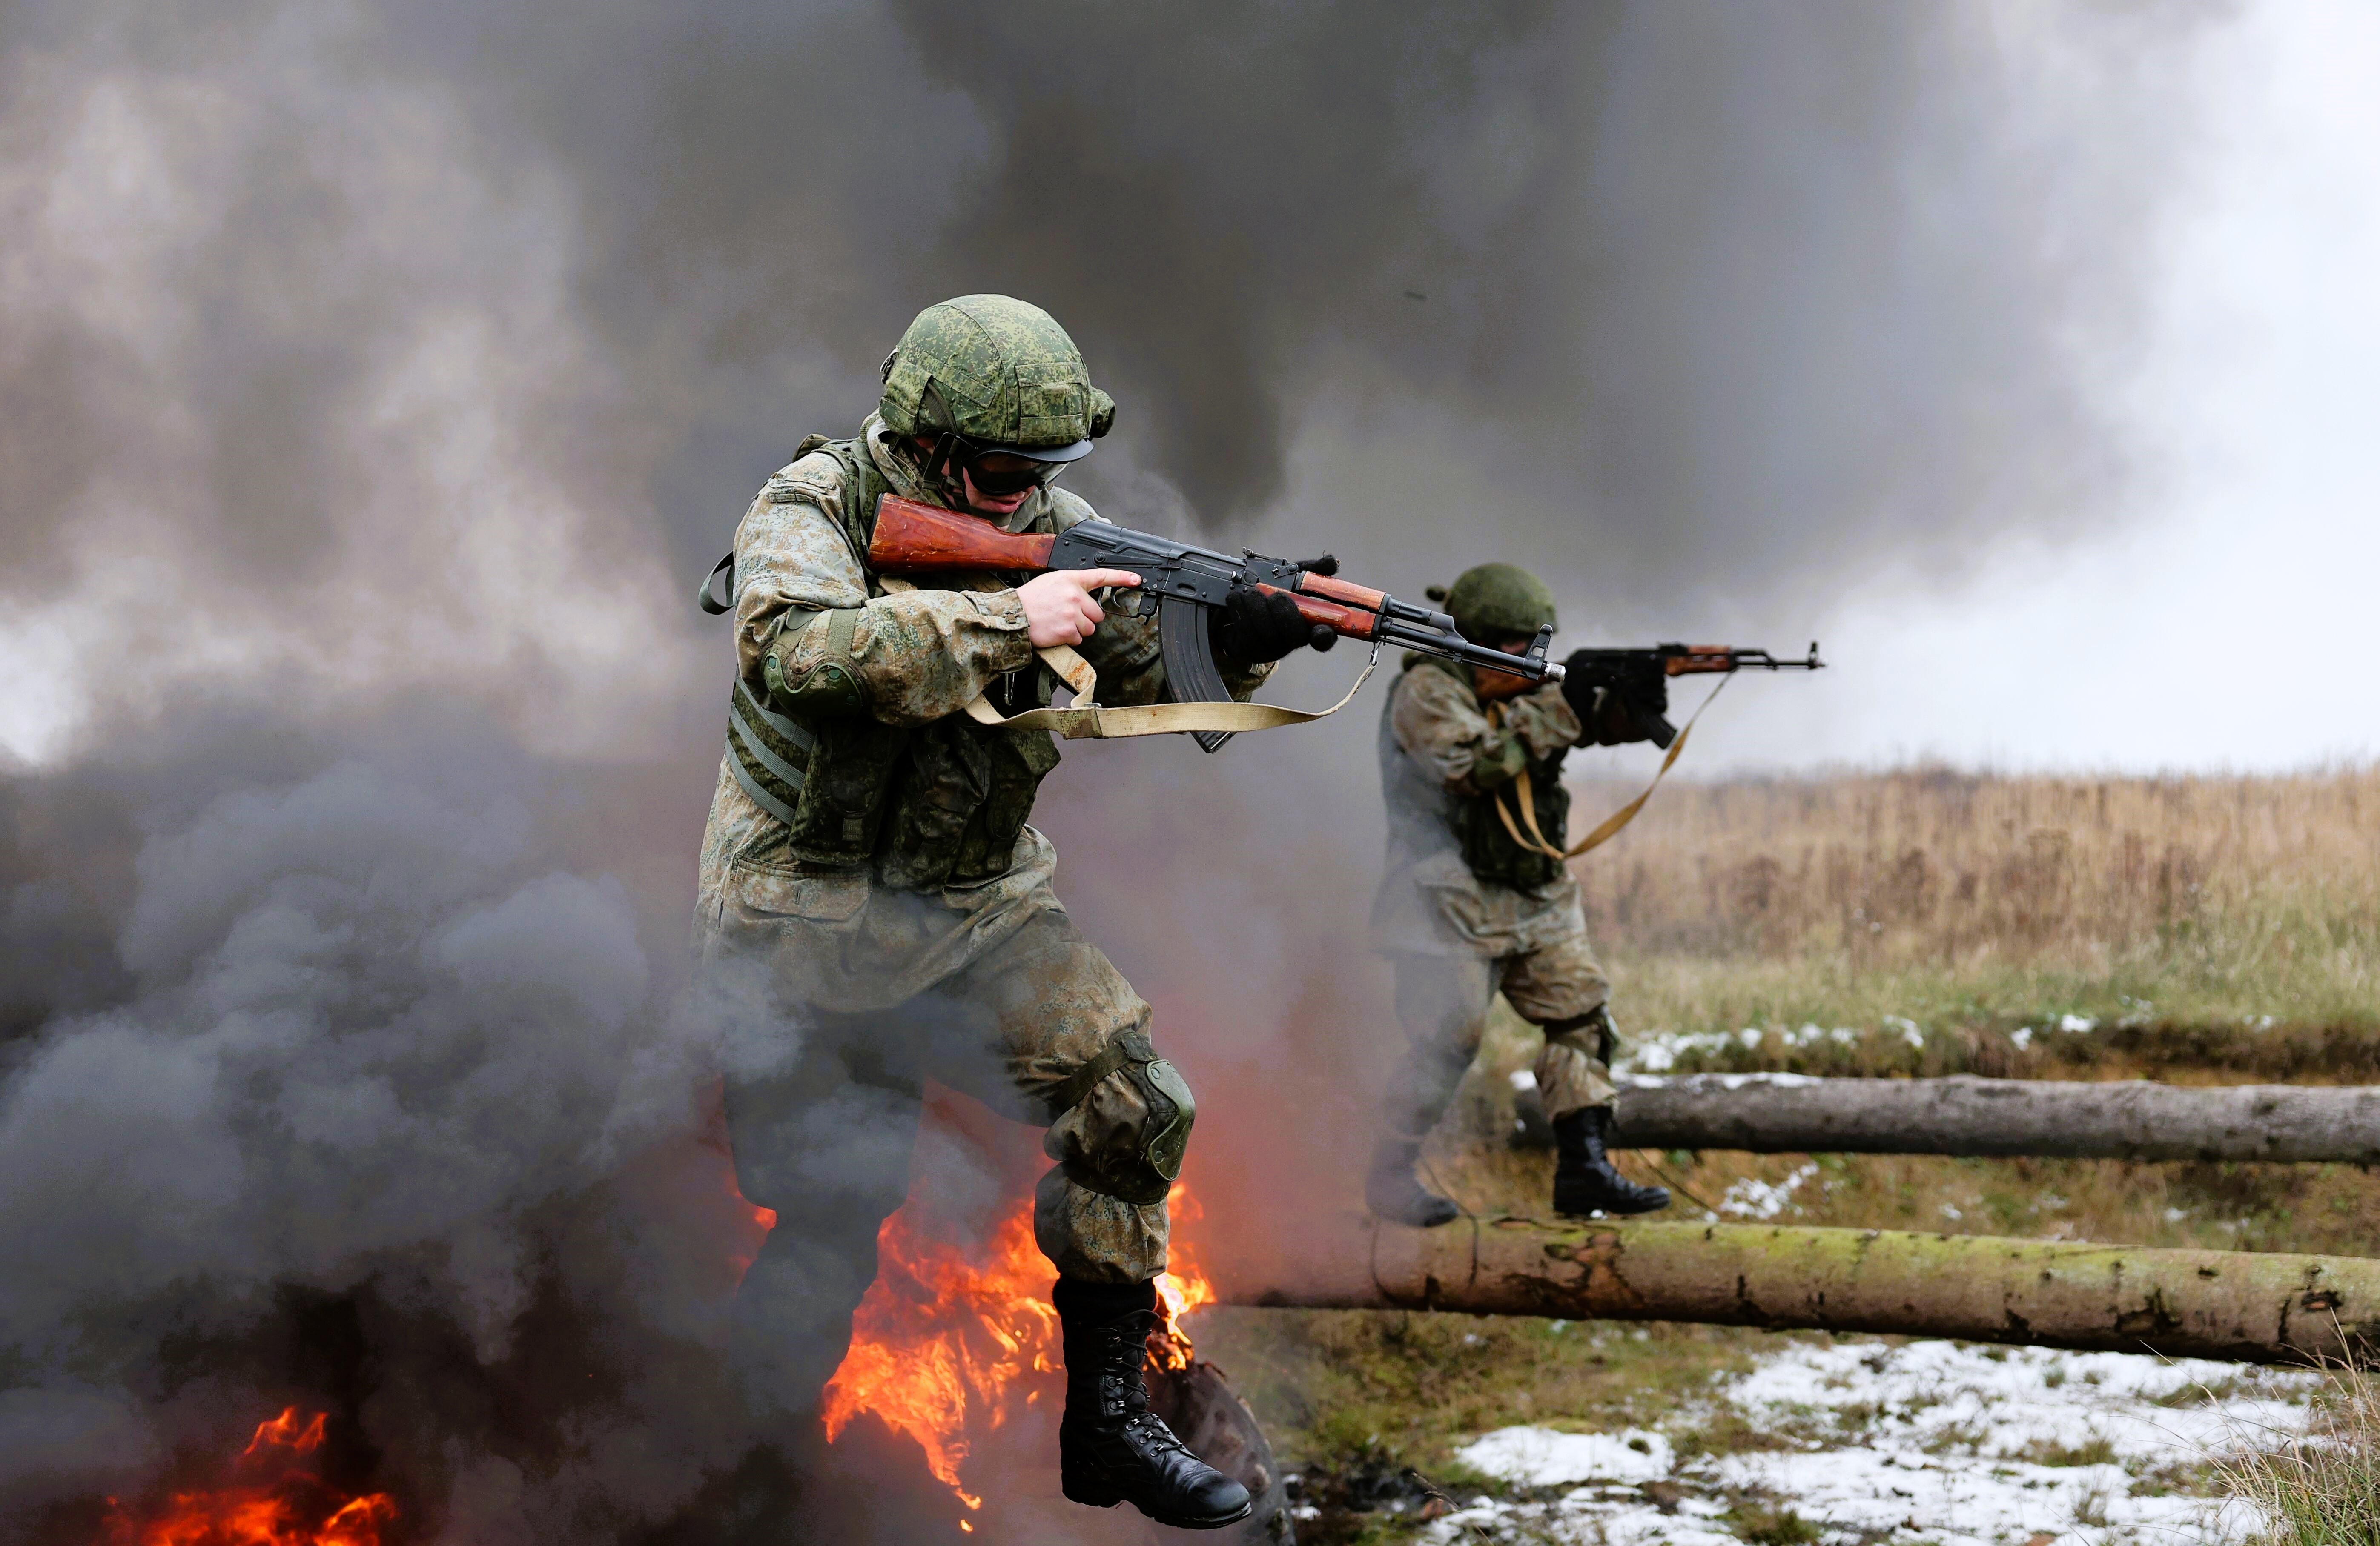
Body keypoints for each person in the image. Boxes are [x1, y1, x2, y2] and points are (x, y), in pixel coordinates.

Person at [693, 295, 1323, 1529]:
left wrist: (1255, 637)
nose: (1025, 498)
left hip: (974, 907)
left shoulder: (1047, 528)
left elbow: (1149, 673)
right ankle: (746, 1466)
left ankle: (1108, 1423)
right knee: (832, 1207)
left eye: (1043, 472)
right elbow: (800, 655)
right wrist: (1006, 618)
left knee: (1137, 1103)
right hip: (799, 920)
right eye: (999, 474)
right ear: (926, 448)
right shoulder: (810, 509)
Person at [1365, 562, 1672, 1228]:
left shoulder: (1522, 686)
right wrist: (1558, 710)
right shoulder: (1426, 689)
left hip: (1534, 895)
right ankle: (1387, 1174)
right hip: (1444, 900)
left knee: (1581, 1018)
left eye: (1534, 642)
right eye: (1511, 644)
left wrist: (1622, 703)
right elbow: (1469, 766)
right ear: (1473, 635)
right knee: (1448, 1039)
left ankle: (1583, 1168)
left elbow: (1579, 728)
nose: (1527, 656)